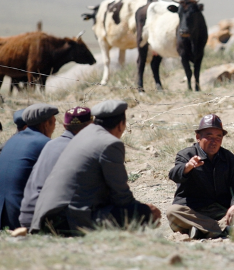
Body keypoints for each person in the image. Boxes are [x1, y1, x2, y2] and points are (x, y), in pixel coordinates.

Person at [30, 100, 161, 235]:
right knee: (140, 213)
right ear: (121, 125)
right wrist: (145, 210)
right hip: (67, 220)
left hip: (48, 218)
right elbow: (121, 196)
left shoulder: (83, 135)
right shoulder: (110, 143)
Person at [166, 114, 234, 239]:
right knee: (172, 212)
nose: (214, 141)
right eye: (209, 136)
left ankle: (202, 230)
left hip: (221, 211)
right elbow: (174, 175)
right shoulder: (186, 155)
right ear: (198, 137)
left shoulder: (228, 158)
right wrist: (187, 167)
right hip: (194, 212)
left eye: (218, 137)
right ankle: (224, 229)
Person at [19, 106, 93, 229]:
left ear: (64, 126)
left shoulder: (50, 144)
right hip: (48, 221)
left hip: (27, 216)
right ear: (90, 127)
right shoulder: (80, 149)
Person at [0, 103, 57, 230]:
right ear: (46, 124)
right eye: (54, 123)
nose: (54, 128)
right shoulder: (46, 144)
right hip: (19, 216)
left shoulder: (11, 141)